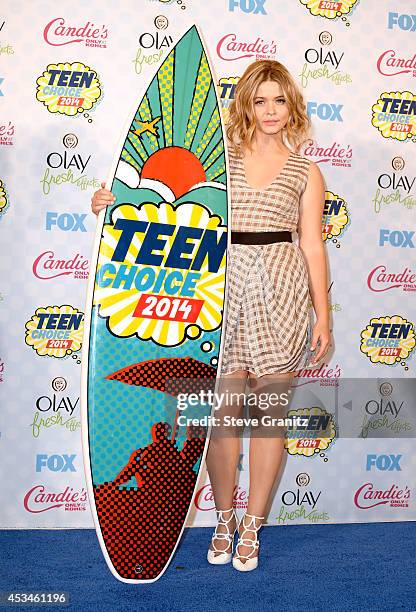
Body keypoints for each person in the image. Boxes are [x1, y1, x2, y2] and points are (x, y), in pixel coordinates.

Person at [91, 59, 331, 573]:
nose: (270, 110)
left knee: (268, 420)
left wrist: (323, 316)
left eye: (280, 100)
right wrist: (114, 202)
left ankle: (252, 524)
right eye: (260, 99)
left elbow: (312, 245)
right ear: (245, 102)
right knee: (221, 420)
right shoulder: (217, 161)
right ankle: (223, 518)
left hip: (282, 289)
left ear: (293, 106)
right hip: (217, 290)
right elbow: (165, 205)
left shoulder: (307, 171)